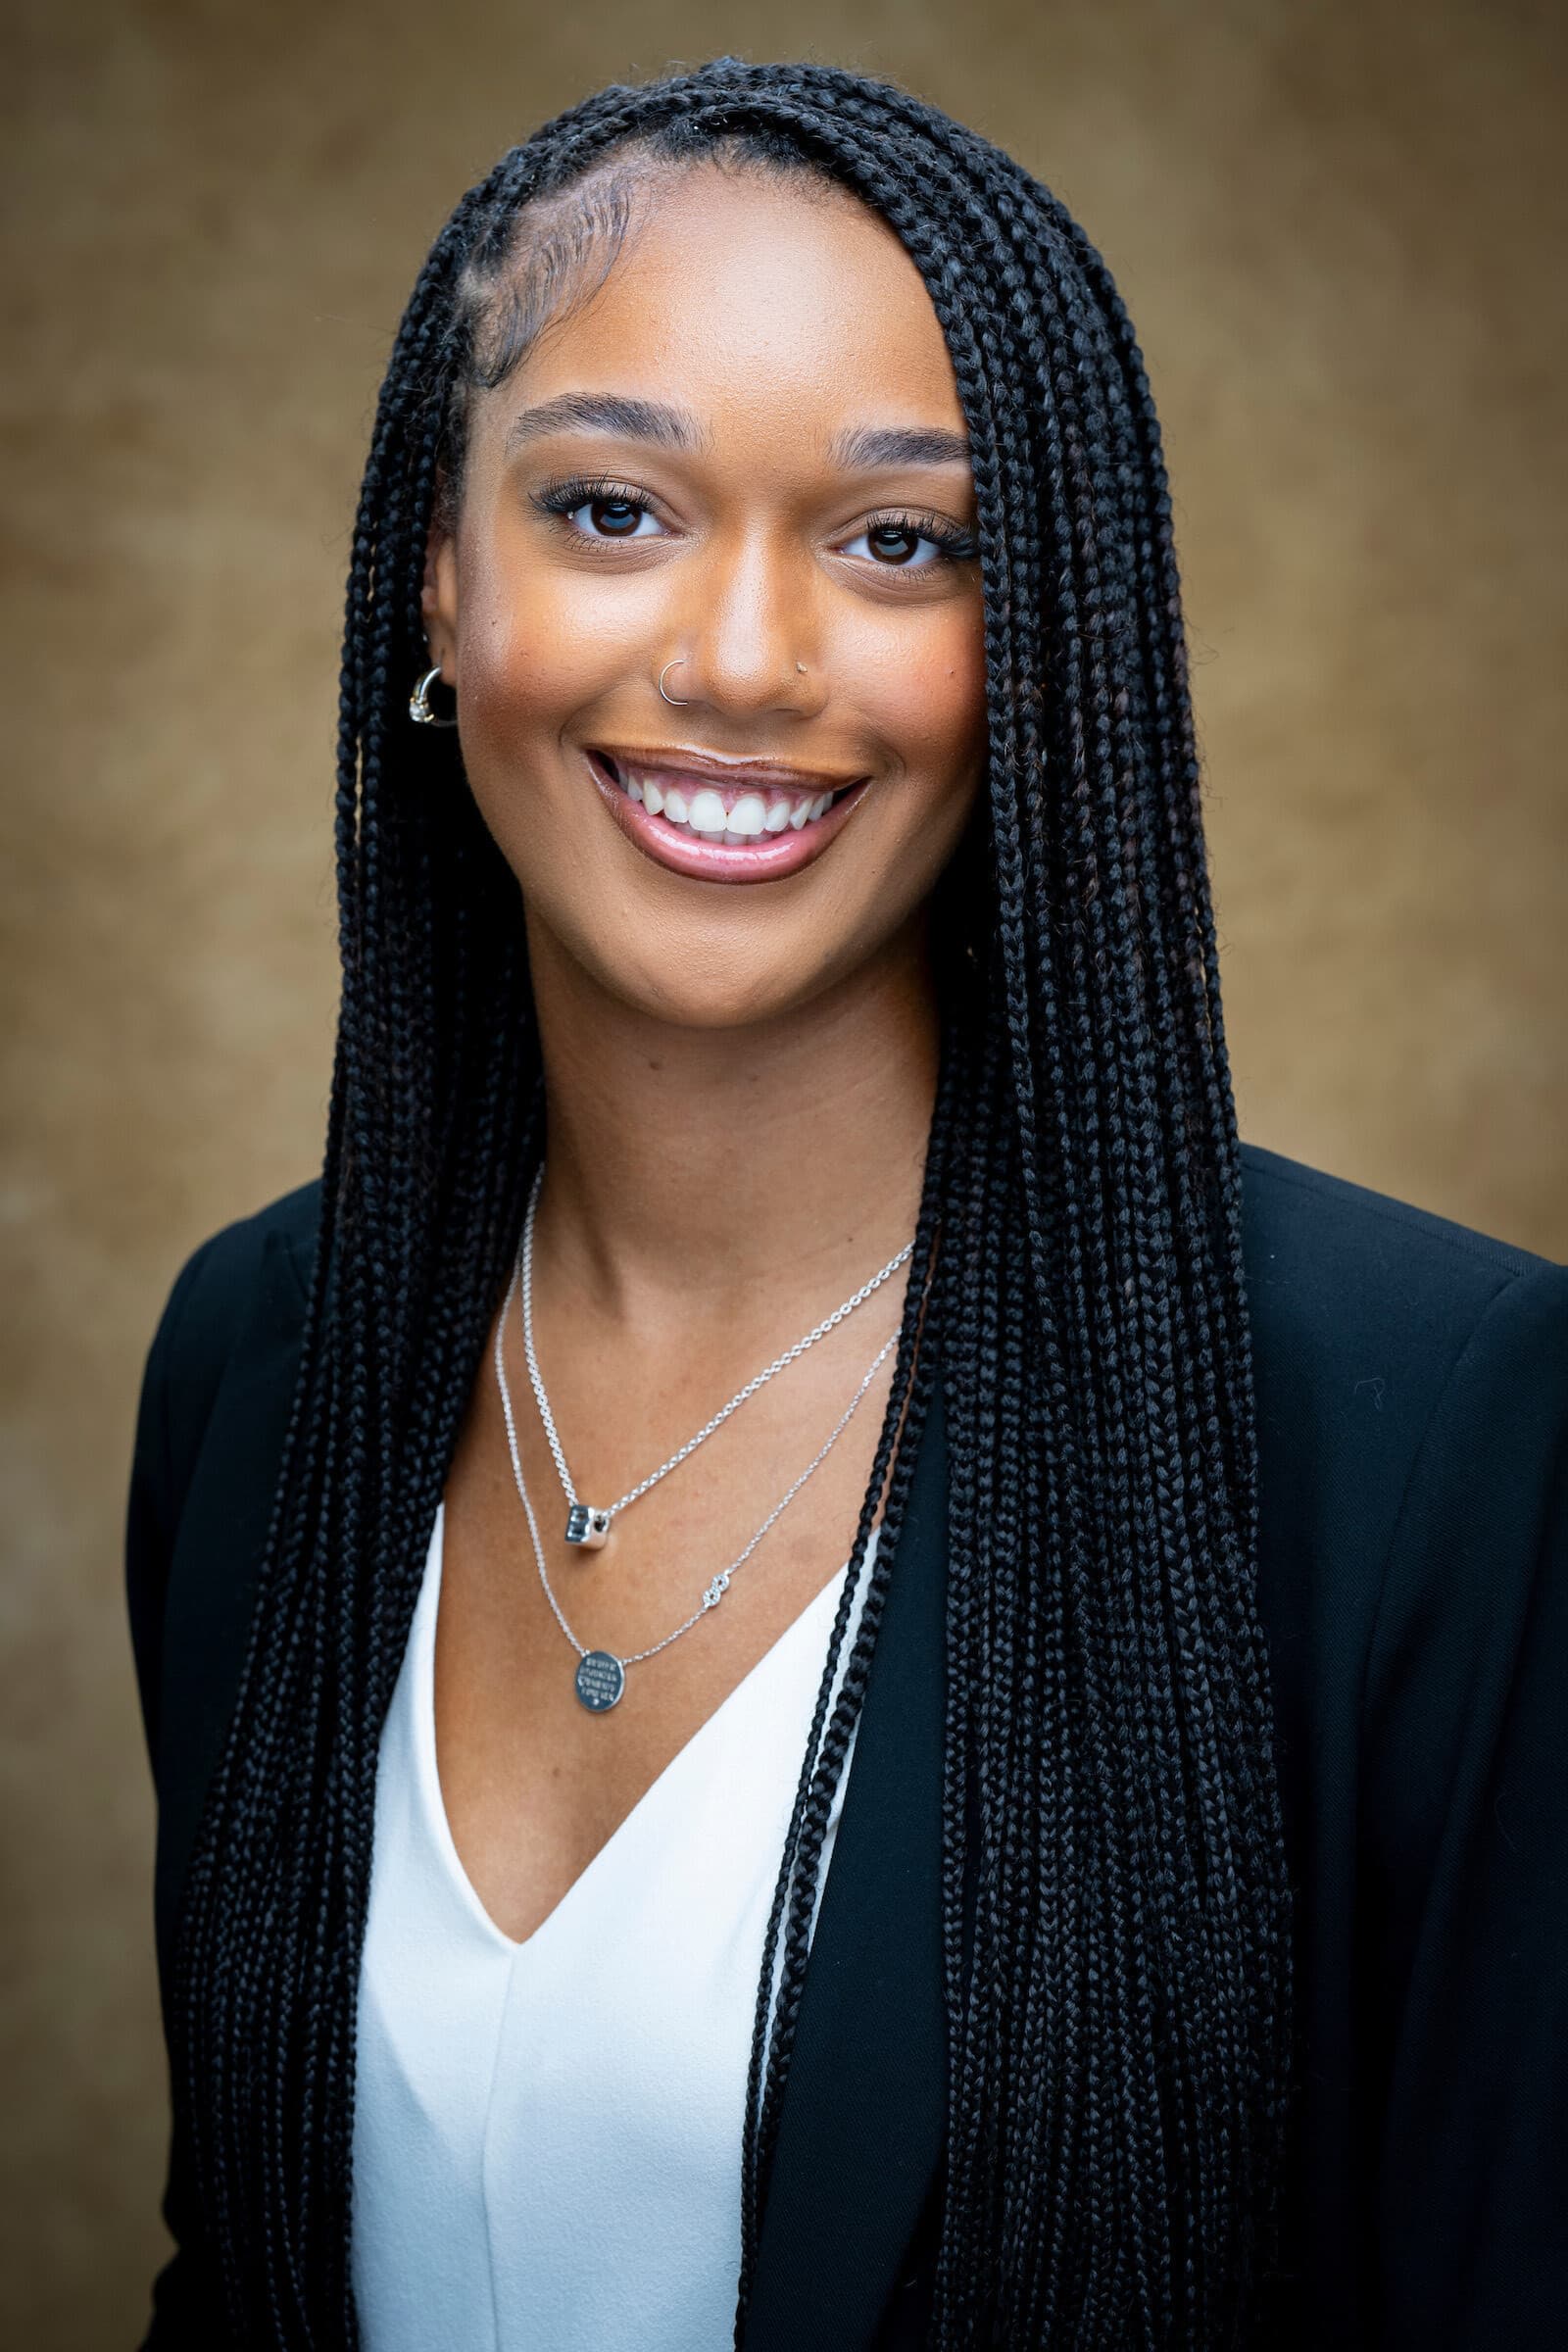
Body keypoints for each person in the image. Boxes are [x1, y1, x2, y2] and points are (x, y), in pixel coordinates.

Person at [123, 57, 1568, 2352]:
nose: (736, 660)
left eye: (900, 541)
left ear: (1043, 639)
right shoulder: (262, 1365)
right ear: (439, 568)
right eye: (610, 510)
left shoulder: (1421, 1438)